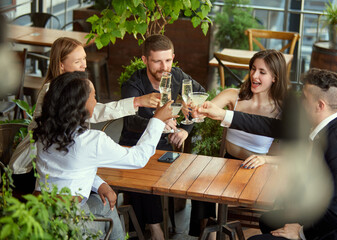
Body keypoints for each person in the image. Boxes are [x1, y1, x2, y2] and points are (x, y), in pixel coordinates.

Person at [199, 68, 337, 239]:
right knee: (268, 220)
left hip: (335, 231)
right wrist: (222, 114)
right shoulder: (318, 123)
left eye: (304, 98)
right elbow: (266, 125)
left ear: (320, 106)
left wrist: (300, 232)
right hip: (317, 212)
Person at [9, 37, 160, 208]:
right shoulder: (53, 93)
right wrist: (142, 106)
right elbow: (94, 113)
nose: (84, 65)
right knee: (98, 198)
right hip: (29, 171)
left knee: (95, 184)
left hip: (52, 170)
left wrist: (137, 102)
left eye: (84, 59)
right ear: (61, 65)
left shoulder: (69, 90)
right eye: (77, 61)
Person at [33, 71, 174, 240]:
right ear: (80, 104)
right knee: (109, 207)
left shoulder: (43, 132)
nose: (96, 101)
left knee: (105, 204)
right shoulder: (91, 140)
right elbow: (138, 158)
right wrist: (157, 120)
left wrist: (100, 184)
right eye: (93, 97)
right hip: (70, 223)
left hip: (37, 215)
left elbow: (71, 168)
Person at [119, 34, 209, 239]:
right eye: (157, 61)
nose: (164, 67)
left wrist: (187, 128)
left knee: (190, 173)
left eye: (168, 60)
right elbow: (130, 122)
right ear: (144, 60)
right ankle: (156, 228)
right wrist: (158, 123)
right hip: (133, 143)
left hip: (164, 144)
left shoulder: (176, 76)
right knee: (143, 169)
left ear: (173, 57)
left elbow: (200, 95)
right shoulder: (133, 85)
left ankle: (184, 230)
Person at [210, 49, 287, 168]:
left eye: (262, 72)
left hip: (258, 170)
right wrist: (194, 109)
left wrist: (265, 159)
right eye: (253, 69)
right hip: (228, 164)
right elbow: (207, 109)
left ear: (274, 78)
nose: (254, 75)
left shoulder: (281, 109)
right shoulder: (233, 96)